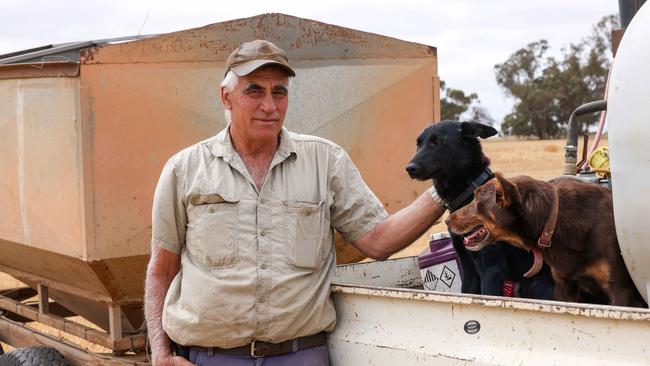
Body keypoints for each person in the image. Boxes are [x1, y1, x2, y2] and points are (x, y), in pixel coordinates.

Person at [145, 39, 446, 366]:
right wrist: (161, 355)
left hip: (301, 355)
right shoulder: (185, 169)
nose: (269, 106)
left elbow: (378, 241)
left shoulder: (325, 161)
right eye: (254, 91)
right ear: (226, 96)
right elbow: (162, 271)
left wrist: (445, 192)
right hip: (212, 358)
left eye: (280, 92)